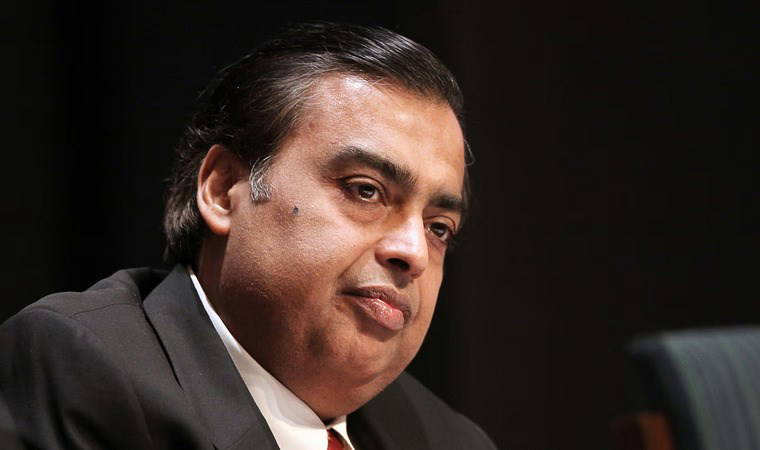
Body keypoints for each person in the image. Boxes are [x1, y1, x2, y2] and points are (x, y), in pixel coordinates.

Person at [0, 23, 496, 449]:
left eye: (438, 227)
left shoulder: (449, 440)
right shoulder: (87, 373)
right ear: (223, 190)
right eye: (365, 190)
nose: (413, 252)